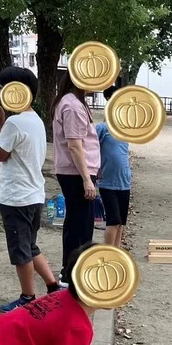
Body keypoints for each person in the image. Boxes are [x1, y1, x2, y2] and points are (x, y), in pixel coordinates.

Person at [0, 66, 59, 312]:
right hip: (34, 195)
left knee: (21, 251)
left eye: (3, 88)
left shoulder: (14, 123)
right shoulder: (35, 120)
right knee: (30, 245)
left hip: (16, 197)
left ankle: (28, 297)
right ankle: (52, 285)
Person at [52, 74, 100, 283]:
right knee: (80, 224)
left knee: (80, 221)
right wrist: (87, 180)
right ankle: (70, 272)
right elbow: (74, 145)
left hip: (78, 172)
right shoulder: (72, 106)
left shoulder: (75, 103)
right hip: (76, 173)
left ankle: (74, 270)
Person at [96, 84, 131, 248]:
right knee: (113, 220)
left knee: (121, 222)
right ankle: (108, 251)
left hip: (124, 181)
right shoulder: (101, 128)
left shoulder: (125, 130)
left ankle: (116, 252)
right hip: (107, 181)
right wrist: (95, 169)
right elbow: (91, 149)